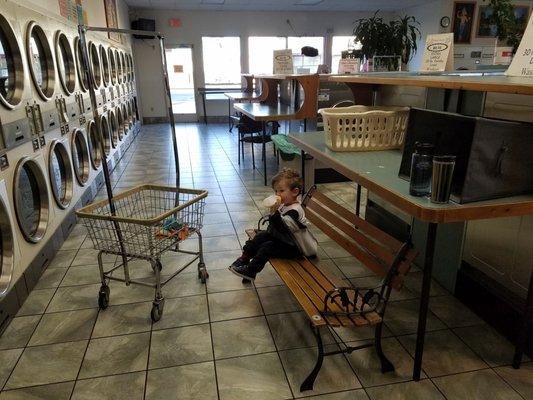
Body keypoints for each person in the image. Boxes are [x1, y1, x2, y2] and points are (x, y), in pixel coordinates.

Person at [228, 168, 314, 282]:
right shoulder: (285, 204)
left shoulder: (295, 210)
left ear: (295, 192)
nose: (277, 194)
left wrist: (274, 213)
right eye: (276, 191)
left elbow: (283, 229)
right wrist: (274, 212)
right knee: (259, 237)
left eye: (281, 191)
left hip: (294, 247)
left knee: (267, 247)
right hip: (283, 240)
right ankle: (244, 258)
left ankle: (251, 271)